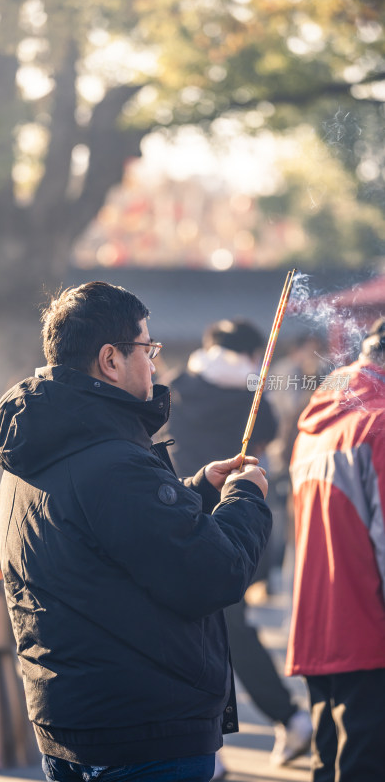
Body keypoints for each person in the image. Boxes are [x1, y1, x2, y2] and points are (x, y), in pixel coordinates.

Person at [0, 282, 272, 782]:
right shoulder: (111, 459)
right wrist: (245, 497)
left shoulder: (38, 448)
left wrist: (199, 489)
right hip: (142, 729)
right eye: (147, 348)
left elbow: (103, 531)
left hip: (74, 720)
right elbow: (211, 574)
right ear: (110, 360)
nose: (155, 364)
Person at [160, 319, 312, 774]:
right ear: (251, 354)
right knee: (230, 629)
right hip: (238, 516)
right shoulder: (252, 396)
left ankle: (217, 741)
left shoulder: (178, 386)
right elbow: (266, 440)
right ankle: (284, 718)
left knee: (196, 634)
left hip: (180, 510)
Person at [285, 316, 385, 781]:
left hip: (317, 624)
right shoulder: (378, 422)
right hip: (369, 630)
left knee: (330, 765)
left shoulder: (320, 417)